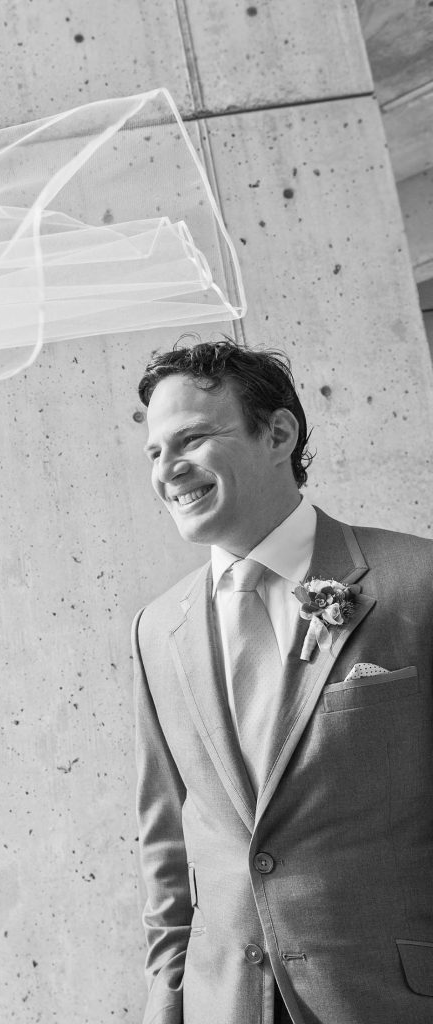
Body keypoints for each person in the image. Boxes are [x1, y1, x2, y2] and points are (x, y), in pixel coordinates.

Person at [131, 339, 433, 1024]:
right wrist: (165, 997)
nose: (167, 470)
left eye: (192, 439)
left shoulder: (418, 582)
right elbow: (167, 838)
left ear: (278, 433)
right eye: (154, 452)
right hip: (224, 1004)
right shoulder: (156, 630)